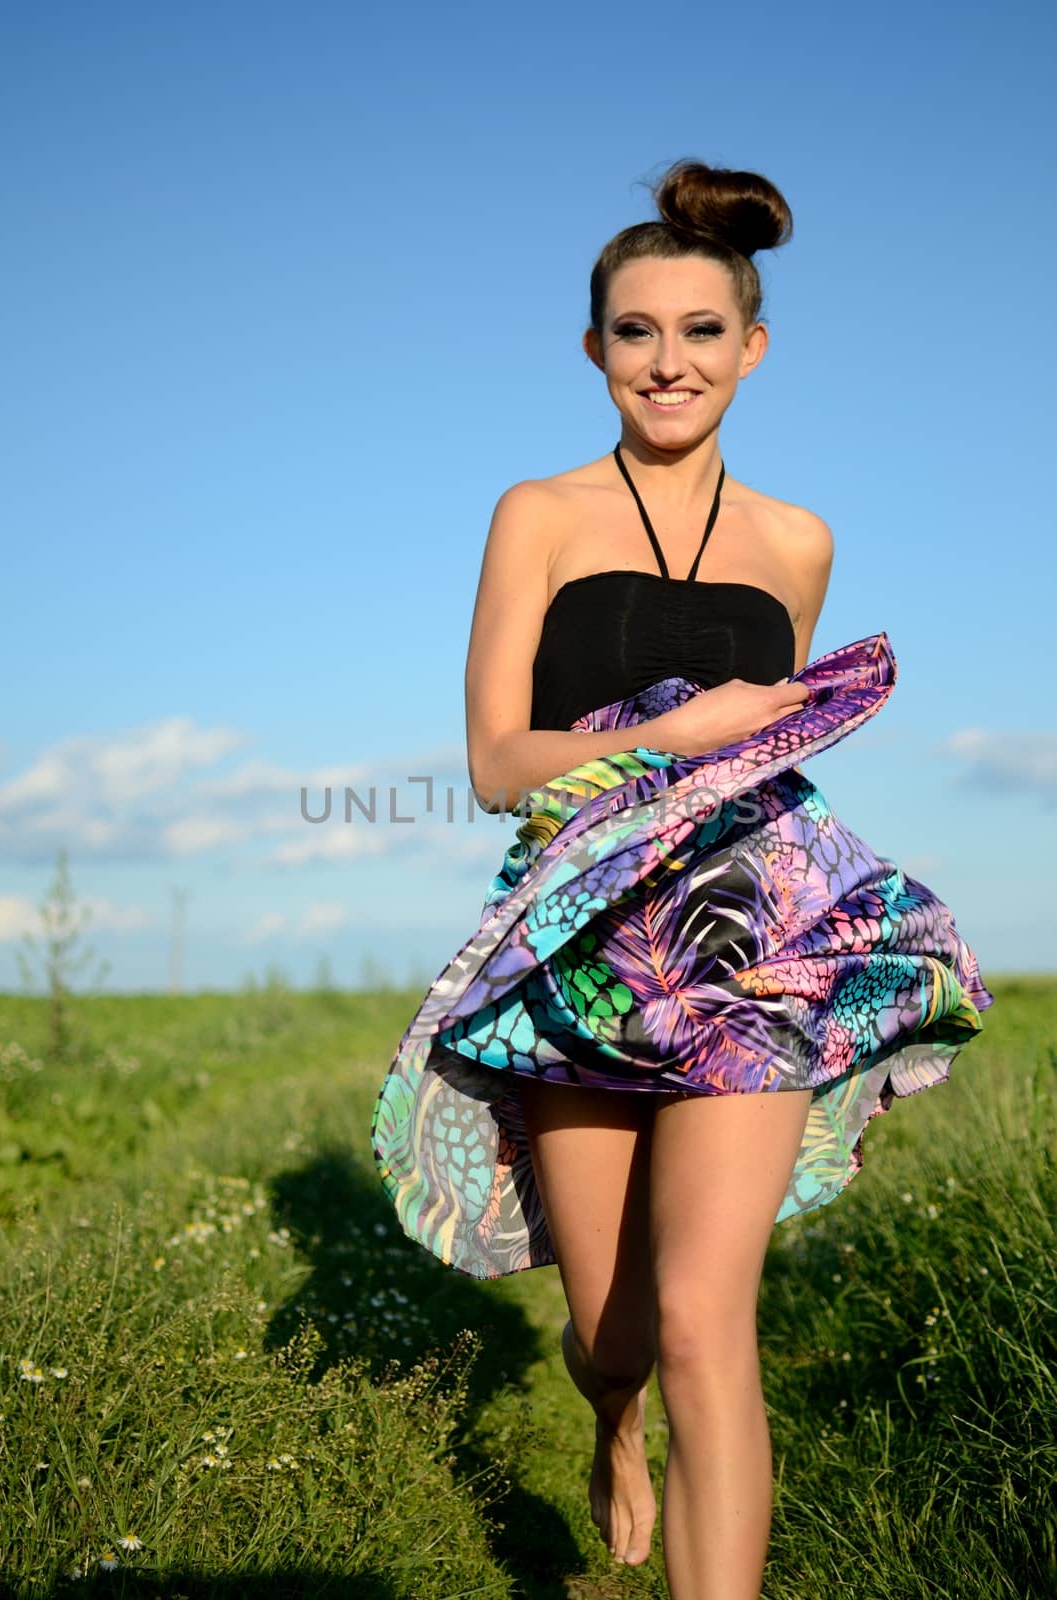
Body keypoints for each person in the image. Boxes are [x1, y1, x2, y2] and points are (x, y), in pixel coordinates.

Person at [371, 157, 994, 1600]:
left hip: (757, 946)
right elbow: (493, 762)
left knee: (714, 1321)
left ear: (751, 347)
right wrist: (671, 728)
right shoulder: (536, 513)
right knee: (620, 1336)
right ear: (595, 350)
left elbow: (765, 769)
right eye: (637, 332)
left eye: (701, 331)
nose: (670, 361)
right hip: (585, 950)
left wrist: (724, 757)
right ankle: (614, 1422)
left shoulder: (797, 542)